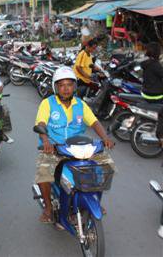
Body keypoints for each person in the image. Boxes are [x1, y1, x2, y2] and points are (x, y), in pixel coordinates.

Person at [34, 66, 115, 224]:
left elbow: (94, 122)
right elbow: (41, 123)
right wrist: (46, 141)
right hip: (54, 148)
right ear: (56, 87)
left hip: (78, 147)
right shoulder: (47, 103)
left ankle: (94, 200)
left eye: (69, 85)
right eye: (62, 85)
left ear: (74, 86)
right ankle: (48, 208)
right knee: (44, 173)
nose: (66, 89)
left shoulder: (80, 104)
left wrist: (105, 138)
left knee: (102, 170)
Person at [140, 42, 163, 146]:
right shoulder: (156, 65)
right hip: (155, 95)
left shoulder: (146, 63)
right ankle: (160, 134)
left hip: (145, 93)